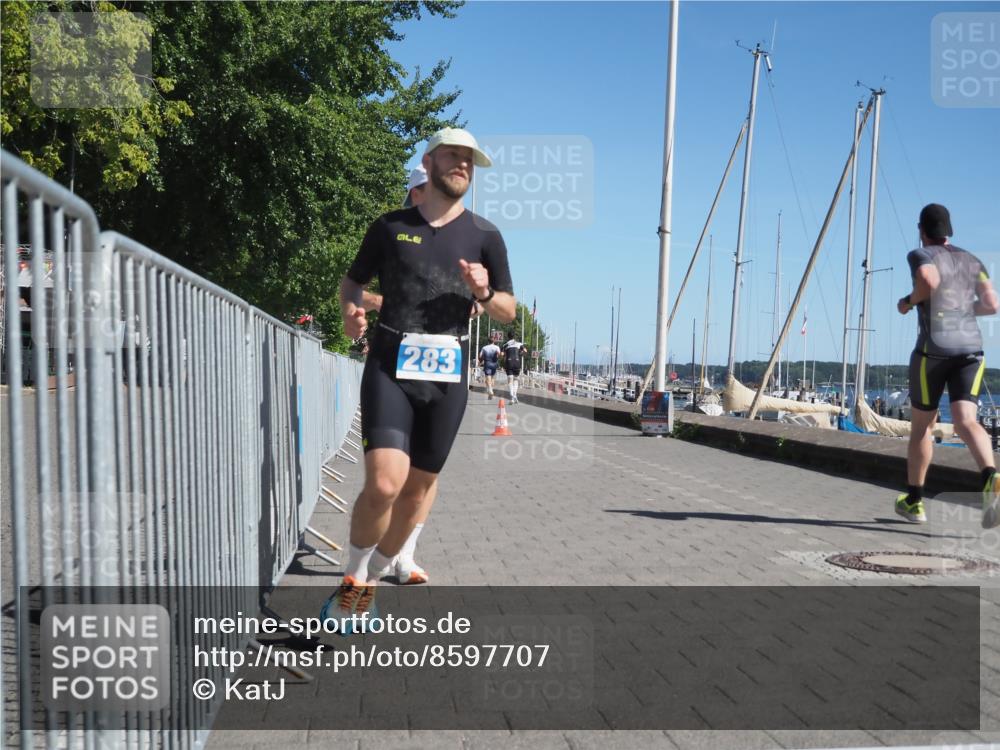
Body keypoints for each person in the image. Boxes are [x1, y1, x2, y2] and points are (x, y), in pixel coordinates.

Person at [322, 127, 516, 630]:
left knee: (415, 495)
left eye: (470, 161)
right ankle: (353, 580)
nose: (463, 166)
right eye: (453, 156)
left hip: (447, 377)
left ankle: (376, 577)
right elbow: (352, 282)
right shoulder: (389, 227)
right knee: (385, 483)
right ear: (428, 163)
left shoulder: (486, 235)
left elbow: (509, 311)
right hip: (390, 365)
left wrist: (484, 290)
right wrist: (349, 314)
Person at [895, 203, 998, 526]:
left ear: (922, 230)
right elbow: (992, 304)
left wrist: (909, 301)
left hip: (934, 352)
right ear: (949, 230)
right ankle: (991, 477)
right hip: (971, 351)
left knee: (922, 427)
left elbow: (928, 280)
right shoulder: (972, 260)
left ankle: (914, 500)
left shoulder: (921, 254)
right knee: (967, 419)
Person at [502, 331, 528, 403]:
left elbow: (501, 354)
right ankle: (514, 395)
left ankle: (512, 397)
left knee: (510, 380)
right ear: (514, 337)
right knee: (516, 380)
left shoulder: (505, 345)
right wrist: (521, 354)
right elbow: (525, 351)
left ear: (508, 337)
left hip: (509, 362)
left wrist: (505, 356)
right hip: (517, 362)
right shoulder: (519, 344)